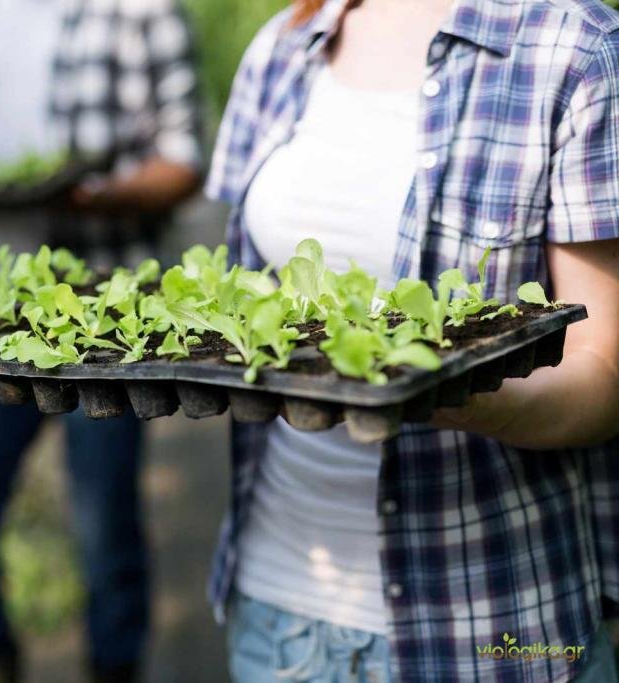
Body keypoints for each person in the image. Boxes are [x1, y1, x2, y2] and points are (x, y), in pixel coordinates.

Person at [206, 0, 619, 681]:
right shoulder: (284, 45)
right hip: (279, 612)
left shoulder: (574, 47)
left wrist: (457, 394)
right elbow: (234, 294)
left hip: (497, 626)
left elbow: (603, 369)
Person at [0, 1, 203, 682]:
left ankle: (115, 663)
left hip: (103, 324)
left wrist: (90, 196)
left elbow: (184, 161)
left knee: (105, 534)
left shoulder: (140, 11)